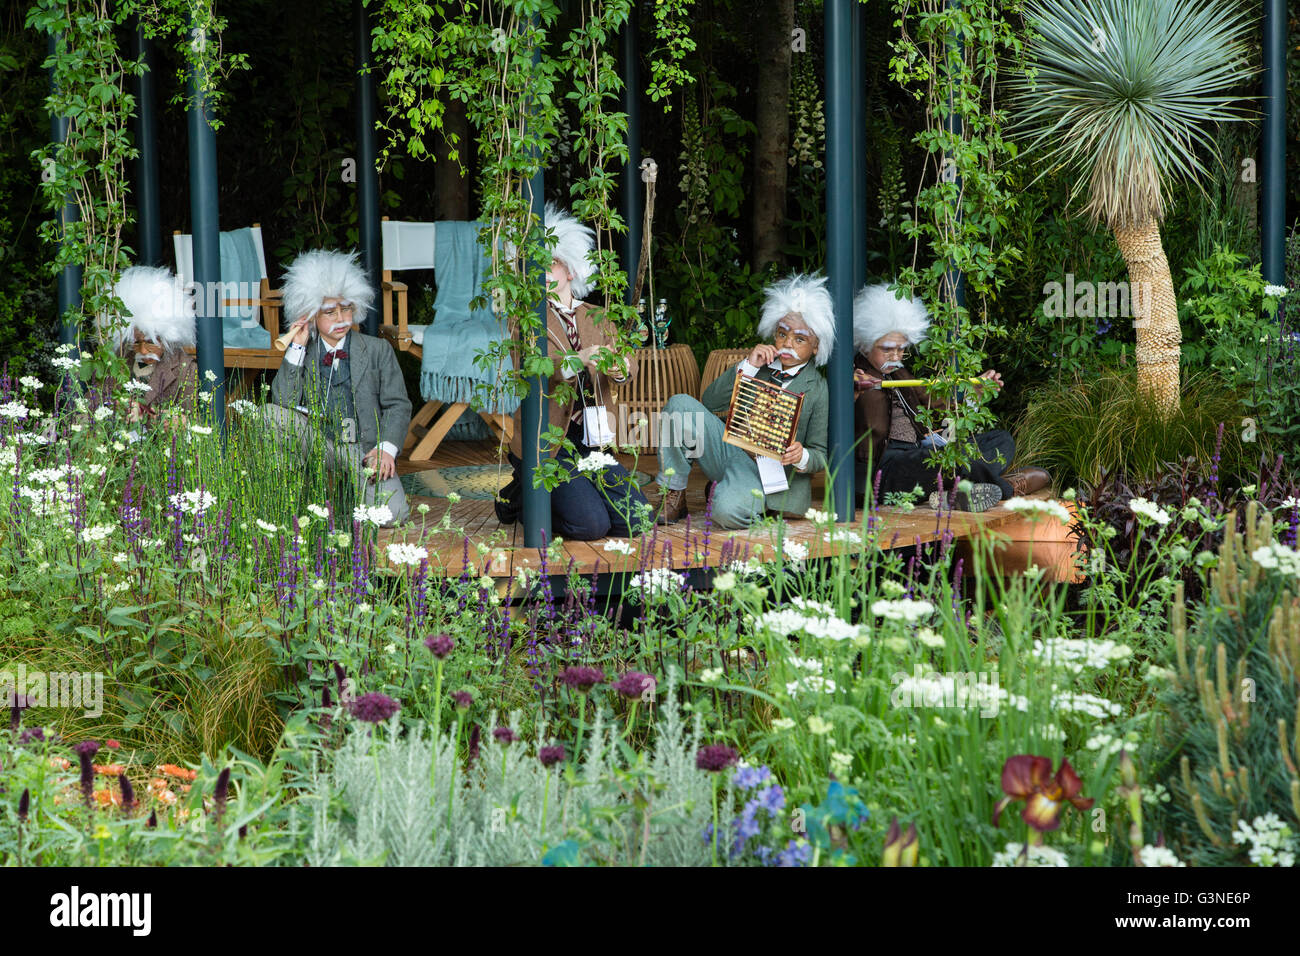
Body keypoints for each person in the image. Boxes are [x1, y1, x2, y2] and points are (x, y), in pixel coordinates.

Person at [499, 203, 649, 540]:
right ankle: (520, 501)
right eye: (535, 267)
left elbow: (629, 363)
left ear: (571, 270)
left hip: (594, 442)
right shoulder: (525, 319)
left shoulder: (598, 315)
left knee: (637, 519)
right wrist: (579, 359)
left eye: (550, 264)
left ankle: (568, 493)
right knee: (590, 526)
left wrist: (621, 366)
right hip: (550, 443)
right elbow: (533, 367)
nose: (543, 272)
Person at [655, 273, 831, 529]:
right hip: (733, 450)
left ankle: (735, 494)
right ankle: (674, 493)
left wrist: (801, 455)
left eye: (800, 339)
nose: (788, 344)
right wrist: (748, 366)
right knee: (680, 405)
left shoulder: (819, 388)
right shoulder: (761, 364)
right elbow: (710, 401)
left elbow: (820, 454)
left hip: (771, 475)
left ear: (816, 346)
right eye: (782, 334)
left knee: (724, 512)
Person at [851, 282, 1048, 511]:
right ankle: (1008, 488)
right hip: (885, 470)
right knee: (946, 459)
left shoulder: (899, 372)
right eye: (887, 349)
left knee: (1000, 440)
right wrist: (853, 391)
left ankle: (949, 492)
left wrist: (975, 392)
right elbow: (838, 416)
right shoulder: (853, 375)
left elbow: (937, 409)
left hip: (922, 452)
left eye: (902, 349)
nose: (896, 355)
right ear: (866, 344)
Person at [265, 250, 412, 525]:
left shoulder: (379, 350)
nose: (341, 318)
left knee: (393, 515)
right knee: (268, 416)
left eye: (346, 309)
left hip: (363, 449)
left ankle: (350, 493)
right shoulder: (302, 350)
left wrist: (386, 449)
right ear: (311, 315)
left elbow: (398, 405)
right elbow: (281, 402)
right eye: (330, 312)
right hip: (317, 443)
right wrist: (296, 347)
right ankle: (290, 497)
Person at [98, 265, 200, 423]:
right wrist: (116, 408)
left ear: (166, 338)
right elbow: (93, 402)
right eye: (136, 343)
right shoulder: (118, 361)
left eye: (151, 343)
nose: (143, 351)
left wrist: (154, 417)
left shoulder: (186, 369)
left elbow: (192, 420)